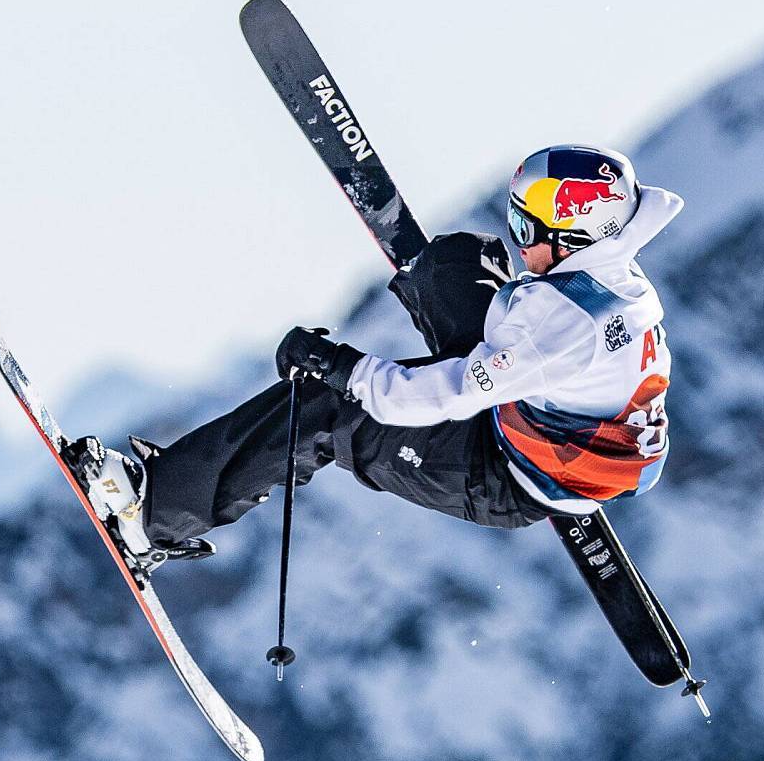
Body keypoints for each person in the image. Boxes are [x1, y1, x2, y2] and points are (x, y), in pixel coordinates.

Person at [65, 145, 678, 572]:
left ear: (575, 231)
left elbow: (440, 395)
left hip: (497, 474)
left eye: (527, 228)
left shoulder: (562, 324)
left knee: (327, 410)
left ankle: (153, 517)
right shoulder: (616, 281)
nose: (519, 241)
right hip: (547, 414)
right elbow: (537, 344)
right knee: (458, 262)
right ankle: (450, 301)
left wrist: (339, 367)